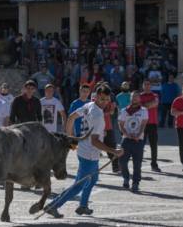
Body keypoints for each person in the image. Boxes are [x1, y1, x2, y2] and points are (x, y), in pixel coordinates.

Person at [44, 84, 124, 218]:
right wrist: (113, 152)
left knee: (92, 179)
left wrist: (70, 138)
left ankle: (83, 206)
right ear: (97, 97)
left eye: (107, 99)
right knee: (78, 185)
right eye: (102, 99)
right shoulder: (97, 115)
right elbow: (95, 141)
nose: (104, 102)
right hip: (89, 154)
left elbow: (72, 117)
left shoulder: (89, 105)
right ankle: (53, 205)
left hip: (84, 151)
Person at [118, 91, 148, 192]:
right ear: (130, 98)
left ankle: (135, 182)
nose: (135, 97)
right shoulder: (124, 111)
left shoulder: (144, 111)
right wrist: (126, 134)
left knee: (137, 163)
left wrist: (138, 135)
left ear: (139, 99)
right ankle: (126, 178)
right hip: (126, 139)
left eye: (136, 96)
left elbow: (143, 124)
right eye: (133, 96)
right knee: (122, 161)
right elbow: (121, 124)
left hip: (138, 140)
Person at [140, 79, 161, 172]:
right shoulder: (139, 95)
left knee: (154, 145)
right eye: (145, 84)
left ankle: (154, 164)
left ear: (151, 86)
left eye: (148, 84)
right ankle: (138, 164)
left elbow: (155, 103)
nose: (147, 85)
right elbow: (138, 106)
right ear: (142, 86)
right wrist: (149, 105)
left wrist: (143, 105)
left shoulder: (155, 95)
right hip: (142, 123)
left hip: (152, 123)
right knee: (140, 145)